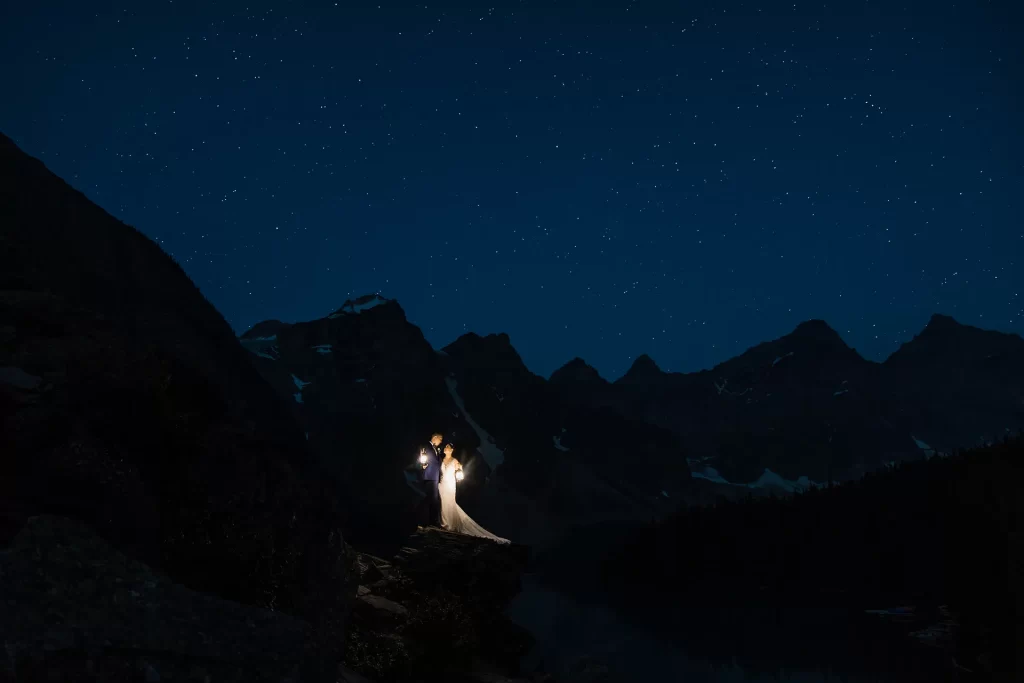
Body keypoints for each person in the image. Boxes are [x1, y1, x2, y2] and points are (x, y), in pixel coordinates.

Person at [440, 443, 510, 544]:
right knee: (443, 501)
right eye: (445, 447)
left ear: (452, 450)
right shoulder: (441, 460)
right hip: (442, 483)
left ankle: (449, 524)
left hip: (450, 483)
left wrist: (459, 470)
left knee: (449, 502)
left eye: (448, 447)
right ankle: (444, 521)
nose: (446, 448)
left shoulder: (455, 460)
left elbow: (460, 471)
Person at [418, 432, 444, 528]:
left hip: (435, 476)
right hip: (429, 475)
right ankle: (429, 521)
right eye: (440, 439)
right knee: (430, 498)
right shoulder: (426, 445)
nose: (441, 442)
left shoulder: (436, 448)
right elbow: (421, 456)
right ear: (435, 437)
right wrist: (422, 464)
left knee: (433, 499)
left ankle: (431, 521)